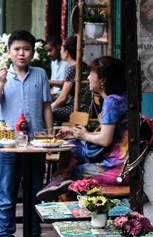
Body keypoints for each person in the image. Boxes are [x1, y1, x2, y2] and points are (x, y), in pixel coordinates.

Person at [0, 30, 58, 237]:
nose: (21, 53)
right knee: (7, 190)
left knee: (35, 190)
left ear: (33, 53)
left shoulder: (40, 74)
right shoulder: (0, 76)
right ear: (8, 52)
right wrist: (1, 82)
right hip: (9, 144)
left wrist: (50, 134)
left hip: (36, 143)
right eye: (17, 49)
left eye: (26, 49)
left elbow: (46, 106)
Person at [38, 56, 130, 200]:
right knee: (71, 145)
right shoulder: (120, 98)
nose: (88, 77)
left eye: (92, 73)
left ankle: (69, 211)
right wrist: (76, 135)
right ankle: (59, 180)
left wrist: (84, 135)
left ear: (103, 80)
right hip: (119, 163)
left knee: (76, 173)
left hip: (117, 169)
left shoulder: (111, 102)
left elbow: (105, 140)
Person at [50, 35, 79, 125]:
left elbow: (63, 98)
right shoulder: (81, 65)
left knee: (47, 113)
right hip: (82, 105)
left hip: (79, 107)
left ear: (66, 52)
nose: (60, 51)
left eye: (62, 49)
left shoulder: (72, 69)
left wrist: (50, 108)